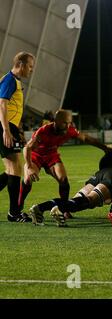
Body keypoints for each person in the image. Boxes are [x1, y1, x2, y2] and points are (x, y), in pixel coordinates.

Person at [19, 110, 112, 217]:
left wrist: (104, 148)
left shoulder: (69, 130)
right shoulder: (44, 131)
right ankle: (19, 206)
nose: (68, 126)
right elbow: (27, 148)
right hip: (36, 156)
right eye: (65, 123)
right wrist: (29, 167)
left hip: (51, 156)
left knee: (64, 180)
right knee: (27, 179)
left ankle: (64, 209)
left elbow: (85, 138)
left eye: (69, 123)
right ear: (56, 121)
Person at [29, 151, 112, 227]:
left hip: (100, 173)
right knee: (91, 200)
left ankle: (40, 207)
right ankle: (60, 209)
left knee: (76, 200)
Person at [0, 52, 35, 222]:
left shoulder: (15, 81)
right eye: (29, 66)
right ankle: (14, 213)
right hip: (4, 128)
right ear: (20, 64)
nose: (31, 70)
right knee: (15, 168)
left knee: (11, 170)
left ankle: (14, 212)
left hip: (10, 127)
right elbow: (2, 104)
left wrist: (17, 130)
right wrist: (6, 130)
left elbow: (13, 108)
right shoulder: (9, 80)